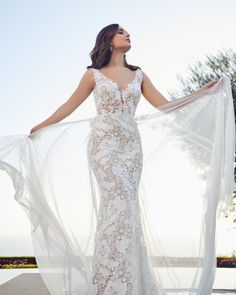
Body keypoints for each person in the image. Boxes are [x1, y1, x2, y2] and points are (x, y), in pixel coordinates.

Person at [0, 23, 235, 295]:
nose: (128, 34)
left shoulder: (139, 75)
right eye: (121, 31)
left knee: (128, 210)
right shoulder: (93, 74)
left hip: (131, 149)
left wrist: (201, 93)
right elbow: (68, 105)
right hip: (104, 147)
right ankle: (109, 282)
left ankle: (128, 280)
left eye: (128, 31)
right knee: (117, 204)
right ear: (108, 39)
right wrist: (39, 126)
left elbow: (166, 106)